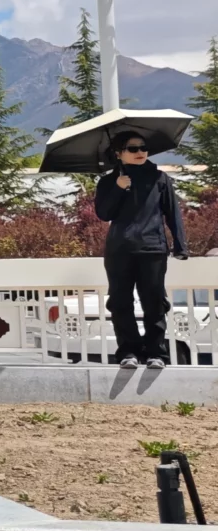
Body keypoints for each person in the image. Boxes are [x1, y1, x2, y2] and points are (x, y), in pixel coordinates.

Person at [96, 131, 190, 368]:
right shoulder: (108, 181)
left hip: (152, 249)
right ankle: (128, 352)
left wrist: (181, 245)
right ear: (118, 153)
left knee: (155, 302)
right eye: (133, 149)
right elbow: (104, 214)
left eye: (143, 148)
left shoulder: (160, 178)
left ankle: (156, 354)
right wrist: (118, 188)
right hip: (119, 250)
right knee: (120, 302)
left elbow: (173, 213)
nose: (140, 153)